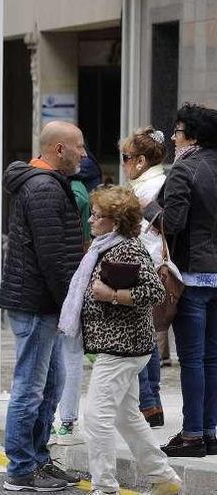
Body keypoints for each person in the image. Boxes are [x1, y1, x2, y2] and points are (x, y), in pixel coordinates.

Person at [58, 186, 181, 495]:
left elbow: (154, 292)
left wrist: (112, 295)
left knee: (96, 418)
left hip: (122, 348)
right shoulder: (104, 246)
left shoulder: (126, 248)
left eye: (96, 216)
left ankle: (105, 487)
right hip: (119, 346)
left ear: (114, 221)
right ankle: (164, 479)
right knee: (127, 418)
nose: (90, 220)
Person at [0, 121, 86, 491]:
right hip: (37, 303)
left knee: (51, 382)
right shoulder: (45, 188)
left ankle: (38, 459)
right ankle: (20, 470)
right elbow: (54, 257)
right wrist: (73, 302)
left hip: (38, 301)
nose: (84, 153)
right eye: (79, 146)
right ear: (59, 149)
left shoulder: (43, 184)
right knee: (31, 387)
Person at [149, 103, 217, 457]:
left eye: (177, 131)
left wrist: (149, 209)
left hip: (190, 276)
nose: (173, 138)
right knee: (212, 358)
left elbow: (172, 223)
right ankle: (209, 430)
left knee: (192, 358)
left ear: (191, 135)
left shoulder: (183, 170)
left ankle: (192, 434)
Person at [119, 126, 170, 429]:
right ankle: (152, 403)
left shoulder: (144, 189)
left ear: (140, 161)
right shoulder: (162, 182)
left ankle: (148, 403)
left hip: (140, 267)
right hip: (154, 267)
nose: (123, 163)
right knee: (147, 338)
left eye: (125, 157)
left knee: (139, 340)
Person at [52, 171, 92, 447]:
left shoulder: (46, 187)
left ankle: (54, 423)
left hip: (49, 282)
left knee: (53, 354)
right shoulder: (78, 192)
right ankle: (66, 422)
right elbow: (85, 242)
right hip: (73, 278)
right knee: (71, 353)